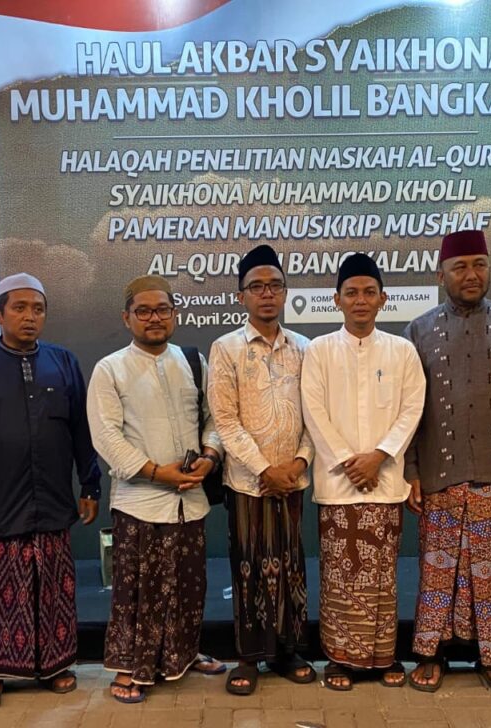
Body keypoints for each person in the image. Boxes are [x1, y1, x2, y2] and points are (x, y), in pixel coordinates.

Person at [0, 273, 102, 709]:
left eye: (38, 309)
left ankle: (56, 665)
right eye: (19, 308)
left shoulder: (63, 362)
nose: (30, 317)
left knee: (53, 586)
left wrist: (90, 484)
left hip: (51, 499)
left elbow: (81, 430)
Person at [404, 229, 491, 693]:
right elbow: (408, 408)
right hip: (438, 473)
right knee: (438, 571)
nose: (471, 275)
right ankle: (432, 654)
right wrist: (411, 471)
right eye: (460, 267)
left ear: (489, 269)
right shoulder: (419, 330)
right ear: (440, 274)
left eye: (479, 265)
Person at [87, 274, 226, 704]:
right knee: (137, 591)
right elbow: (106, 436)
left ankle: (181, 655)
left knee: (187, 585)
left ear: (175, 314)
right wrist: (153, 471)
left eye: (162, 310)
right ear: (126, 318)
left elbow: (214, 419)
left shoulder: (193, 361)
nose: (154, 318)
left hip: (190, 500)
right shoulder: (110, 369)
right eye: (143, 311)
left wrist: (210, 455)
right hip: (140, 501)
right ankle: (129, 667)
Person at [301, 253, 425, 691]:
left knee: (382, 578)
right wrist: (349, 462)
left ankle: (383, 657)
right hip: (338, 486)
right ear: (336, 299)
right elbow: (313, 412)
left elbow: (412, 408)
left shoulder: (402, 351)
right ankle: (338, 660)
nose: (360, 300)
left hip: (386, 482)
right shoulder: (318, 351)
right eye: (351, 292)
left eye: (369, 292)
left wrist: (379, 456)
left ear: (383, 299)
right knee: (340, 577)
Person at [208, 244, 315, 695]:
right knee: (249, 567)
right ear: (241, 297)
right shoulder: (226, 348)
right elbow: (225, 420)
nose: (266, 293)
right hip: (247, 482)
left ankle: (288, 652)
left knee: (291, 565)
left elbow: (315, 417)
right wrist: (263, 469)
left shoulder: (305, 348)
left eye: (274, 285)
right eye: (256, 287)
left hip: (292, 479)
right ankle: (249, 657)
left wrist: (299, 462)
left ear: (286, 292)